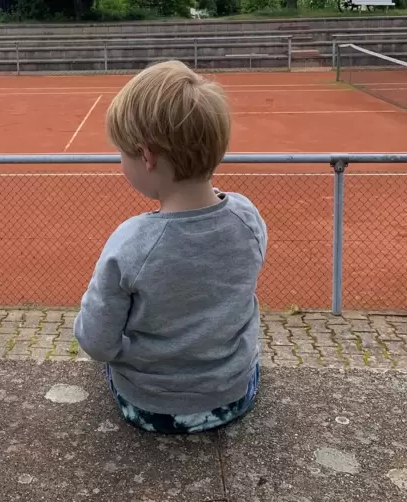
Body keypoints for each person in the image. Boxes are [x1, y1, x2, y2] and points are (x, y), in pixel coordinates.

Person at [74, 60, 268, 434]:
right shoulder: (247, 217)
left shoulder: (132, 243)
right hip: (233, 396)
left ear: (146, 157)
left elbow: (96, 341)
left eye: (122, 152)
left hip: (150, 407)